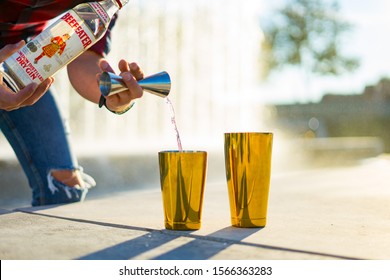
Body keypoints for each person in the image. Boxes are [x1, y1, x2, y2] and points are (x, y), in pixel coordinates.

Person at [0, 1, 144, 206]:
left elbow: (84, 59)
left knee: (64, 188)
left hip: (19, 58)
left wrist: (113, 94)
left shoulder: (107, 5)